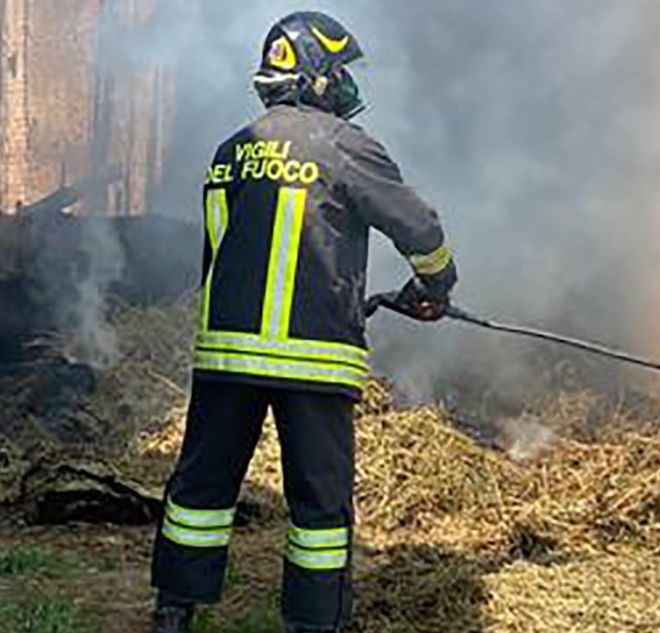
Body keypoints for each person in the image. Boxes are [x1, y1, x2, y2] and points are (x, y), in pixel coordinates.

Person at [150, 11, 458, 633]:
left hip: (228, 356)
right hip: (313, 359)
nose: (346, 85)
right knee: (319, 506)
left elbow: (220, 252)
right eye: (339, 72)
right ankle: (314, 622)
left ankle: (174, 610)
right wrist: (436, 285)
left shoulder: (233, 151)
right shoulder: (347, 147)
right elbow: (420, 230)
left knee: (201, 488)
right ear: (315, 75)